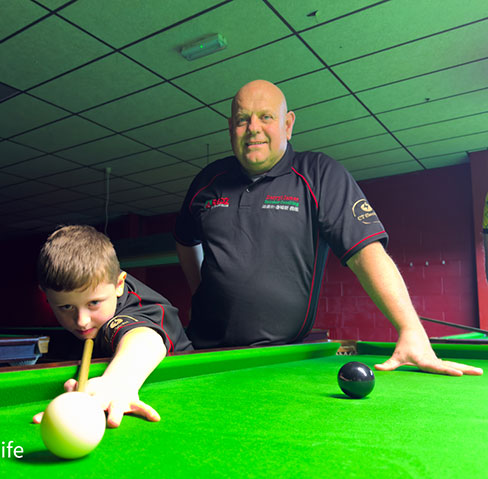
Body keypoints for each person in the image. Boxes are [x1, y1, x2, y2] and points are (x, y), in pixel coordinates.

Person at [174, 79, 482, 376]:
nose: (253, 127)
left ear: (288, 124)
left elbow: (366, 252)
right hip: (203, 350)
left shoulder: (319, 174)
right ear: (231, 128)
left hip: (279, 357)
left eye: (266, 117)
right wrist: (199, 288)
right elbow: (185, 240)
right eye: (243, 119)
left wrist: (410, 328)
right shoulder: (207, 181)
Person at [33, 225, 193, 428]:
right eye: (66, 306)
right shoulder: (103, 289)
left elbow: (144, 338)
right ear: (46, 296)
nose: (82, 321)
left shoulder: (137, 308)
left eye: (94, 303)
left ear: (119, 285)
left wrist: (117, 382)